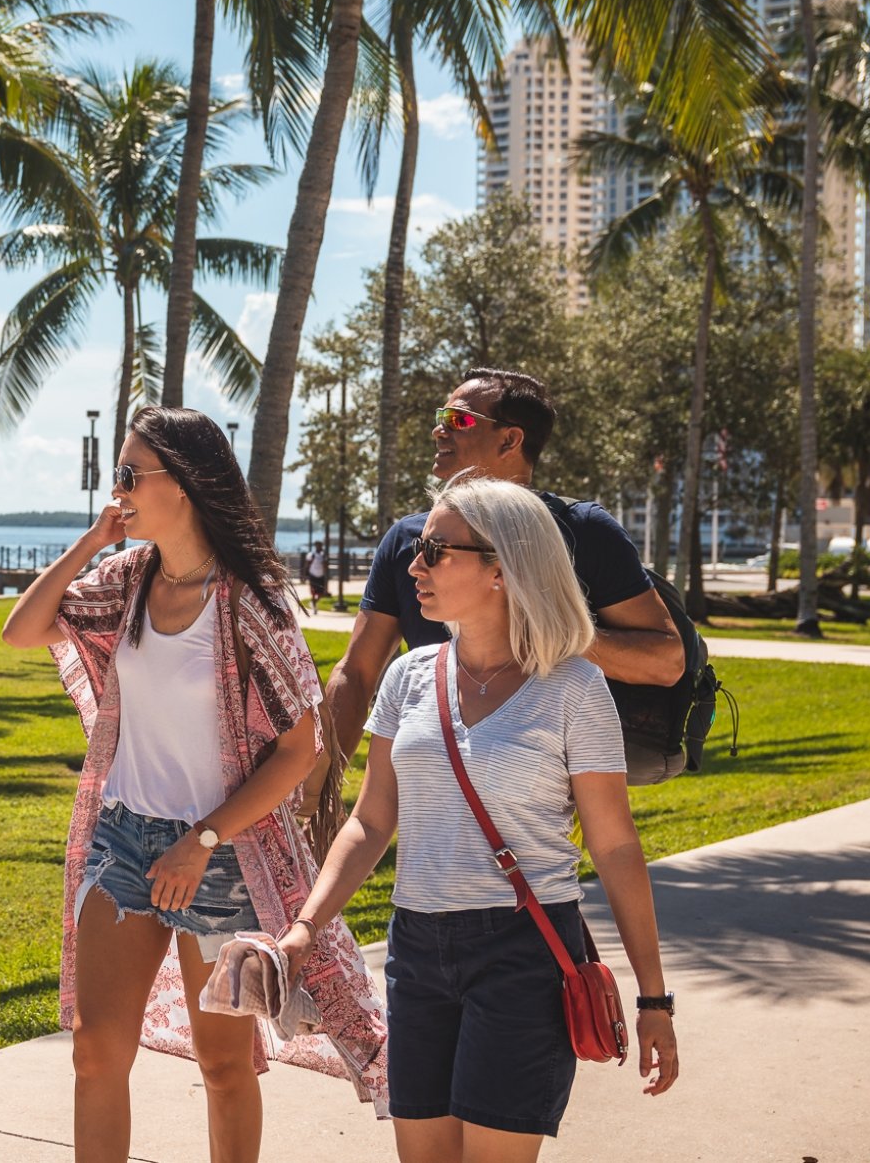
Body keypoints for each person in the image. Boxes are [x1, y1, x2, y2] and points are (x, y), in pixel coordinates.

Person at [2, 407, 388, 1163]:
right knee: (95, 1054)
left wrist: (202, 839)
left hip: (222, 857)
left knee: (221, 1065)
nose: (117, 491)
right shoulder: (127, 581)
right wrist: (91, 542)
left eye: (129, 475)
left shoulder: (251, 604)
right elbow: (24, 628)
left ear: (180, 486)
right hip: (123, 841)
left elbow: (298, 750)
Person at [280, 476, 679, 1160]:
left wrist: (653, 1001)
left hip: (524, 952)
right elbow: (371, 823)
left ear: (502, 567)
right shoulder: (410, 677)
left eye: (436, 550)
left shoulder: (574, 689)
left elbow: (615, 849)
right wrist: (303, 929)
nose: (414, 566)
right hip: (417, 950)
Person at [326, 369, 686, 782]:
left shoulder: (583, 531)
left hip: (549, 789)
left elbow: (666, 661)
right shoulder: (406, 540)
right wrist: (316, 796)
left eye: (457, 419)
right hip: (436, 776)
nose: (438, 431)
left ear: (511, 440)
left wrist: (550, 631)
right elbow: (356, 673)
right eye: (440, 418)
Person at [306, 542, 330, 613]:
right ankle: (314, 607)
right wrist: (305, 575)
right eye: (317, 545)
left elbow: (326, 565)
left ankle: (314, 602)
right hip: (313, 575)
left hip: (321, 576)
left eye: (320, 545)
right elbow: (307, 564)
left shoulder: (323, 555)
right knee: (313, 592)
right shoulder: (311, 555)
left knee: (321, 593)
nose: (319, 547)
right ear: (315, 546)